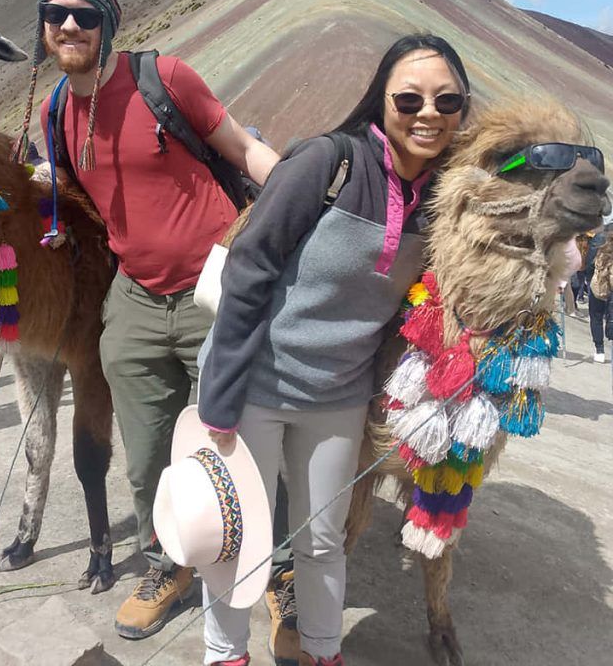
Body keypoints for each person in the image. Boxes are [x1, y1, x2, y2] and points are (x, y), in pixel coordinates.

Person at [13, 0, 280, 639]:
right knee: (146, 449)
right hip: (133, 297)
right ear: (42, 26)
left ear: (107, 22)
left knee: (234, 443)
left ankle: (273, 571)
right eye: (55, 14)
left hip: (214, 287)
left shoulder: (164, 78)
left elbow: (243, 149)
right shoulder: (55, 112)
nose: (68, 24)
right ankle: (168, 560)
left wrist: (298, 204)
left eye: (83, 14)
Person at [196, 34, 470, 666]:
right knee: (240, 539)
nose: (428, 112)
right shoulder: (329, 162)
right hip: (255, 386)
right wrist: (220, 394)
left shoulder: (447, 198)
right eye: (410, 97)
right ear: (382, 101)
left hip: (339, 397)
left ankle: (323, 652)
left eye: (447, 100)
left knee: (322, 538)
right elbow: (250, 264)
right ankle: (225, 655)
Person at [588, 225, 613, 362]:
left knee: (596, 317)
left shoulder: (599, 239)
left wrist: (589, 280)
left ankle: (600, 350)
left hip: (600, 284)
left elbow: (590, 264)